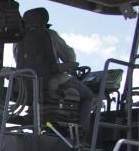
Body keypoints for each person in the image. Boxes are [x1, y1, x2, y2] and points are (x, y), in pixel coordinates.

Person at [15, 7, 95, 136]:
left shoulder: (18, 40)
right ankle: (83, 132)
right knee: (88, 95)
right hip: (53, 81)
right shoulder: (50, 35)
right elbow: (70, 57)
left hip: (28, 85)